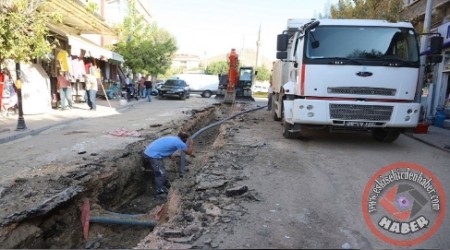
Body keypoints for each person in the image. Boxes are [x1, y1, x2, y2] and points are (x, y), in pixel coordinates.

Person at [143, 131, 194, 198]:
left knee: (161, 170)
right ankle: (160, 192)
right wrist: (191, 144)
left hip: (149, 151)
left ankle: (163, 185)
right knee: (160, 173)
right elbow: (189, 152)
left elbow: (165, 146)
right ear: (184, 139)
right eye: (187, 139)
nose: (187, 140)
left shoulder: (174, 138)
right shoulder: (180, 143)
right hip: (152, 155)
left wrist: (170, 155)